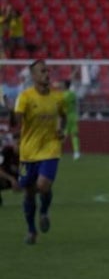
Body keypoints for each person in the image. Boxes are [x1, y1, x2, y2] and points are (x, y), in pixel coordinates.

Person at [12, 60, 67, 245]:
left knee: (43, 186)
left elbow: (62, 115)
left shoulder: (58, 97)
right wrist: (12, 112)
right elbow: (16, 121)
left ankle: (44, 211)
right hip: (28, 152)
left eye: (47, 71)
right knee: (28, 192)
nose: (47, 74)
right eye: (42, 71)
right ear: (33, 76)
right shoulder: (25, 97)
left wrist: (61, 129)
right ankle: (31, 230)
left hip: (50, 148)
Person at [59, 79, 80, 160]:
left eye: (62, 84)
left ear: (65, 86)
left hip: (66, 116)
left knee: (63, 135)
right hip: (74, 116)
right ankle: (76, 153)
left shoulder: (63, 95)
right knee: (74, 135)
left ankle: (58, 152)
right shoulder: (73, 94)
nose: (61, 86)